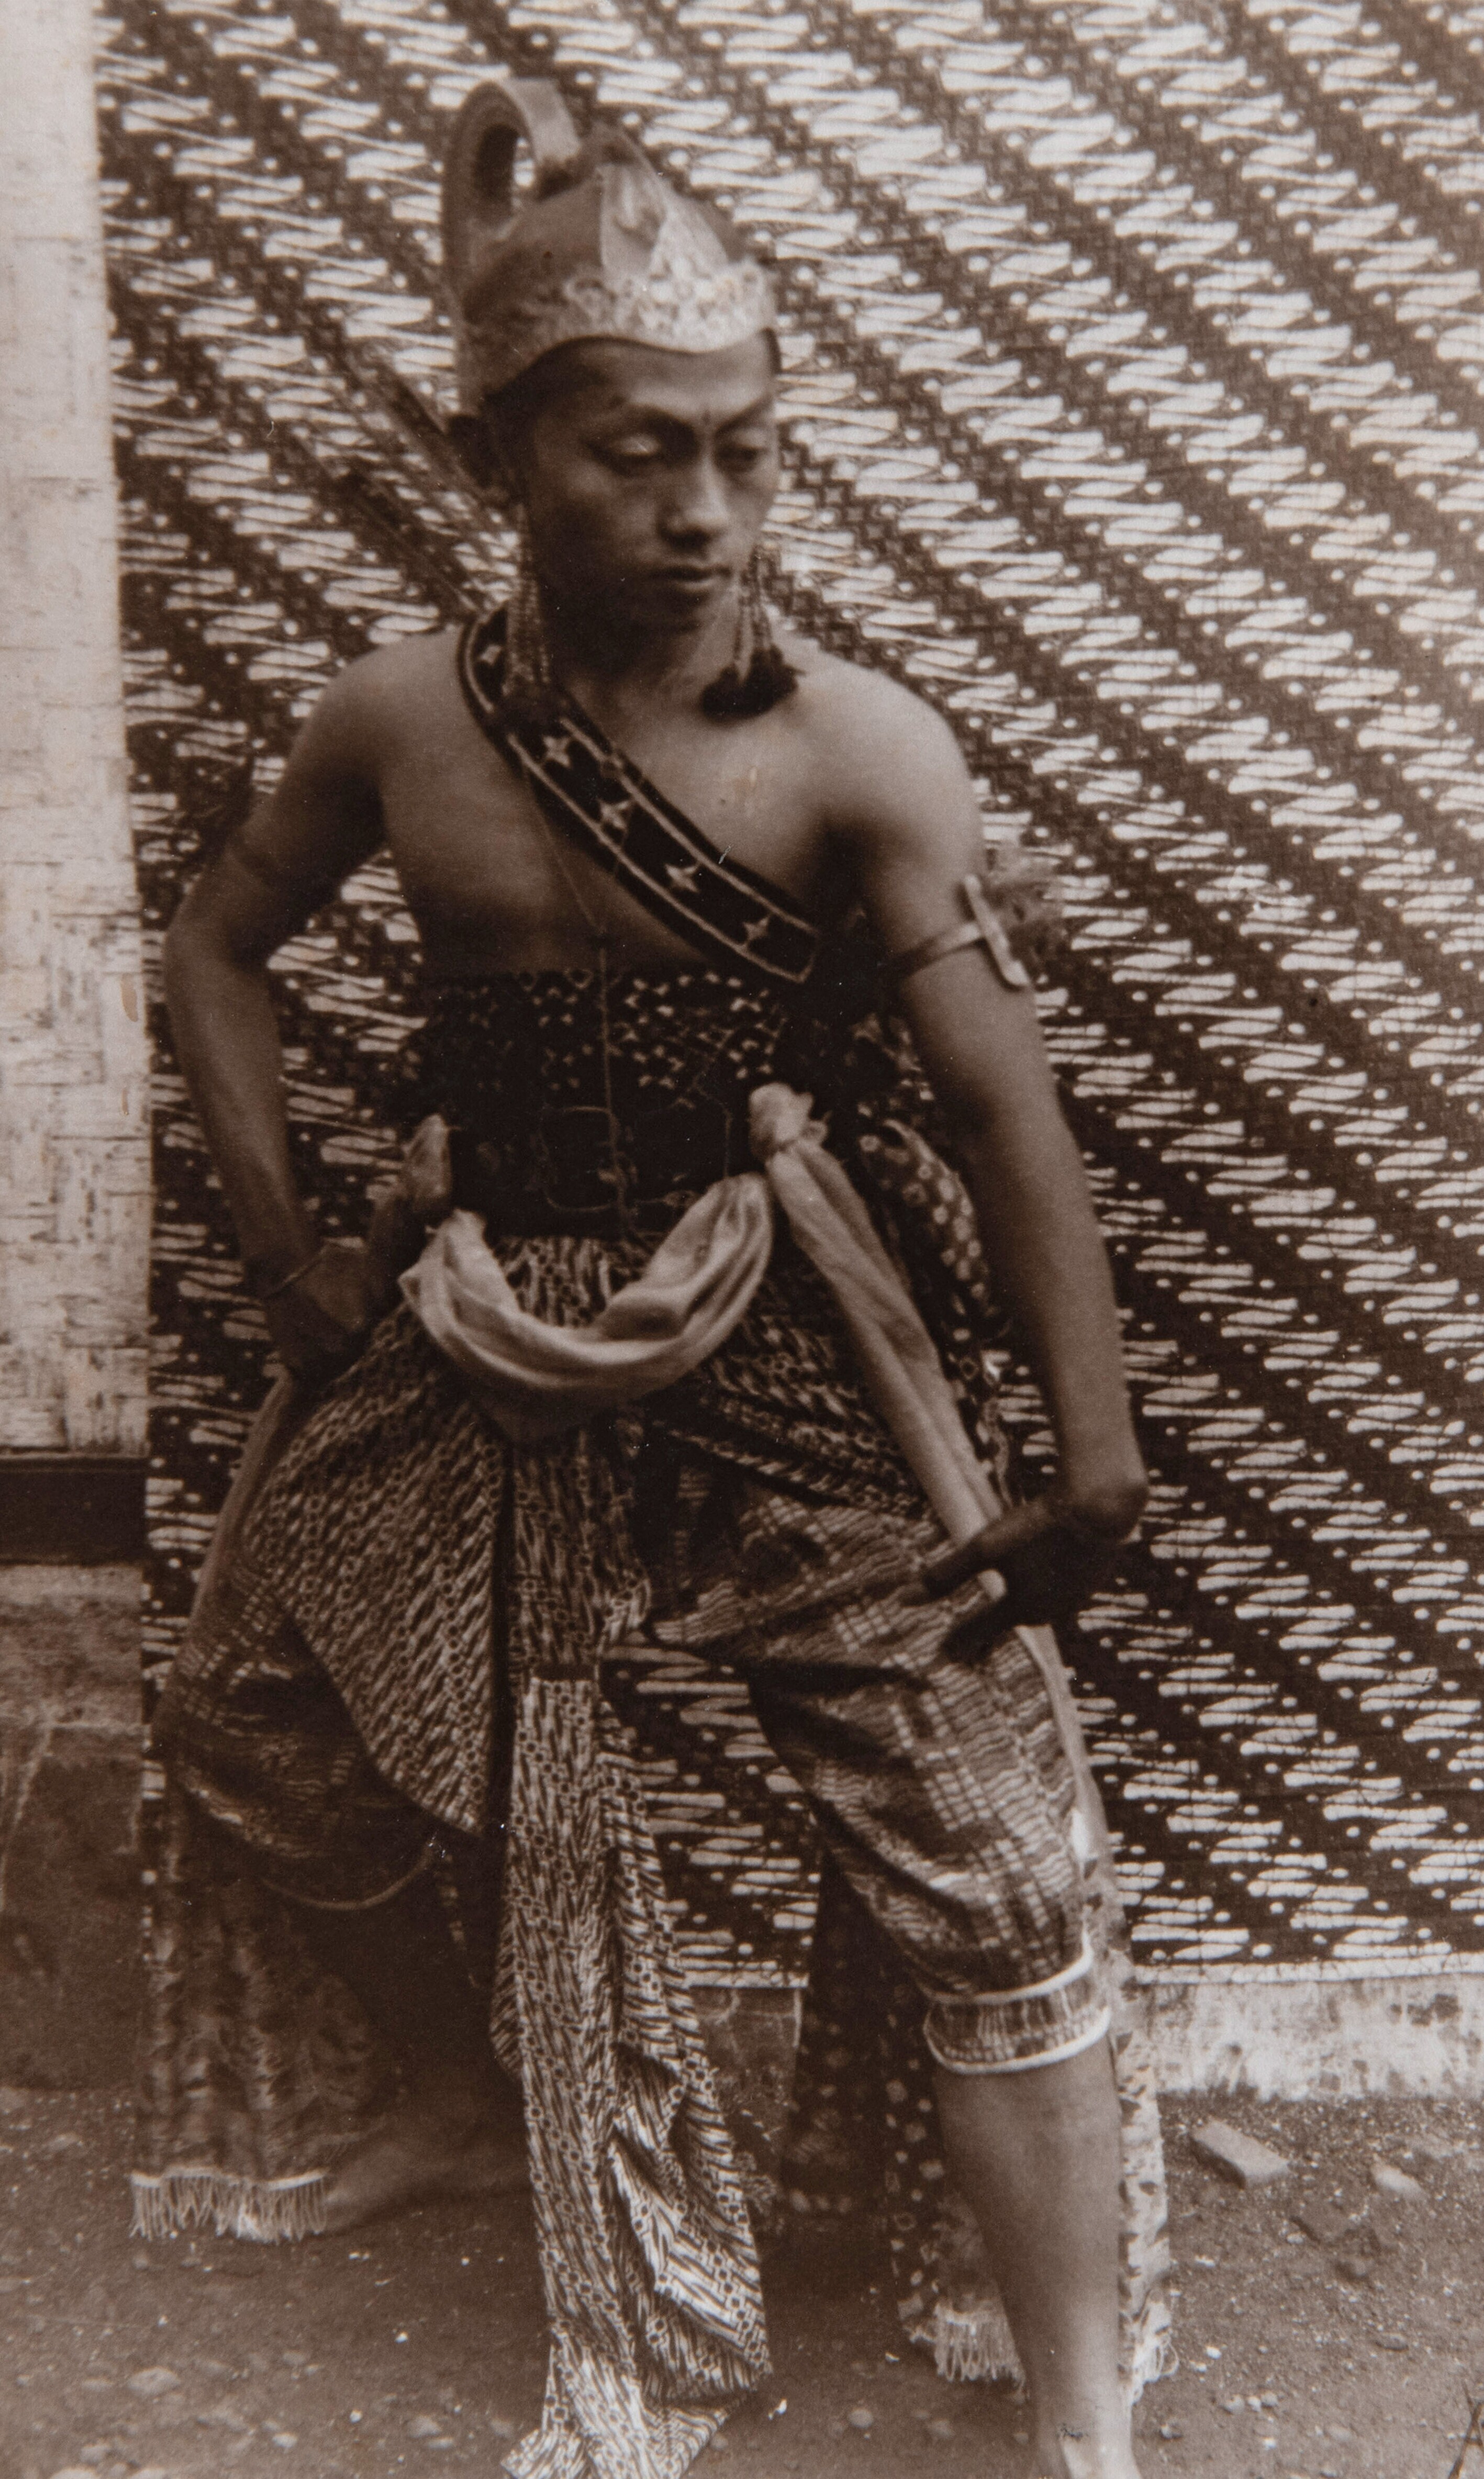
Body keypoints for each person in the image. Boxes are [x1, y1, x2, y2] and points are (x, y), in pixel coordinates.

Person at [140, 79, 1167, 2479]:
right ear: (496, 458)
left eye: (748, 451)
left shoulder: (857, 750)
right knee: (254, 1716)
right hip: (490, 1325)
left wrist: (1093, 1451)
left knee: (998, 1873)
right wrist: (287, 1252)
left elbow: (1004, 1105)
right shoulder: (399, 717)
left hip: (791, 1332)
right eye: (638, 454)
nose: (707, 509)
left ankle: (1083, 2420)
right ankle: (468, 2098)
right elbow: (214, 945)